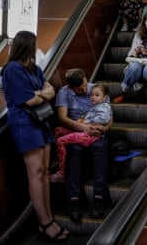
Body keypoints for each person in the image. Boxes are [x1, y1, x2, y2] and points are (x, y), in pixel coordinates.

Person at [1, 31, 68, 241]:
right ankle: (44, 222)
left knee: (44, 171)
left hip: (40, 121)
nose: (34, 49)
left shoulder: (33, 68)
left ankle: (48, 218)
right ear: (25, 46)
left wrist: (39, 94)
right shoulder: (12, 69)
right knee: (35, 171)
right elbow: (28, 101)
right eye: (32, 45)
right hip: (24, 123)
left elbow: (50, 90)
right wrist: (40, 94)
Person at [54, 68, 113, 222]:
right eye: (81, 89)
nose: (86, 90)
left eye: (86, 85)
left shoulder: (96, 90)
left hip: (96, 132)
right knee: (75, 152)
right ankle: (73, 199)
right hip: (77, 131)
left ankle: (99, 197)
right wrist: (83, 128)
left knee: (100, 148)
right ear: (72, 88)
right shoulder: (64, 93)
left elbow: (109, 113)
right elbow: (62, 118)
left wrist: (105, 128)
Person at [50, 83, 112, 183]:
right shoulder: (96, 106)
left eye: (97, 95)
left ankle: (61, 173)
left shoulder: (104, 106)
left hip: (91, 136)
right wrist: (82, 121)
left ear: (104, 97)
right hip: (85, 130)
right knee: (58, 130)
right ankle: (59, 156)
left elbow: (103, 119)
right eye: (92, 95)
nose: (92, 97)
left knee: (60, 141)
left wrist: (88, 122)